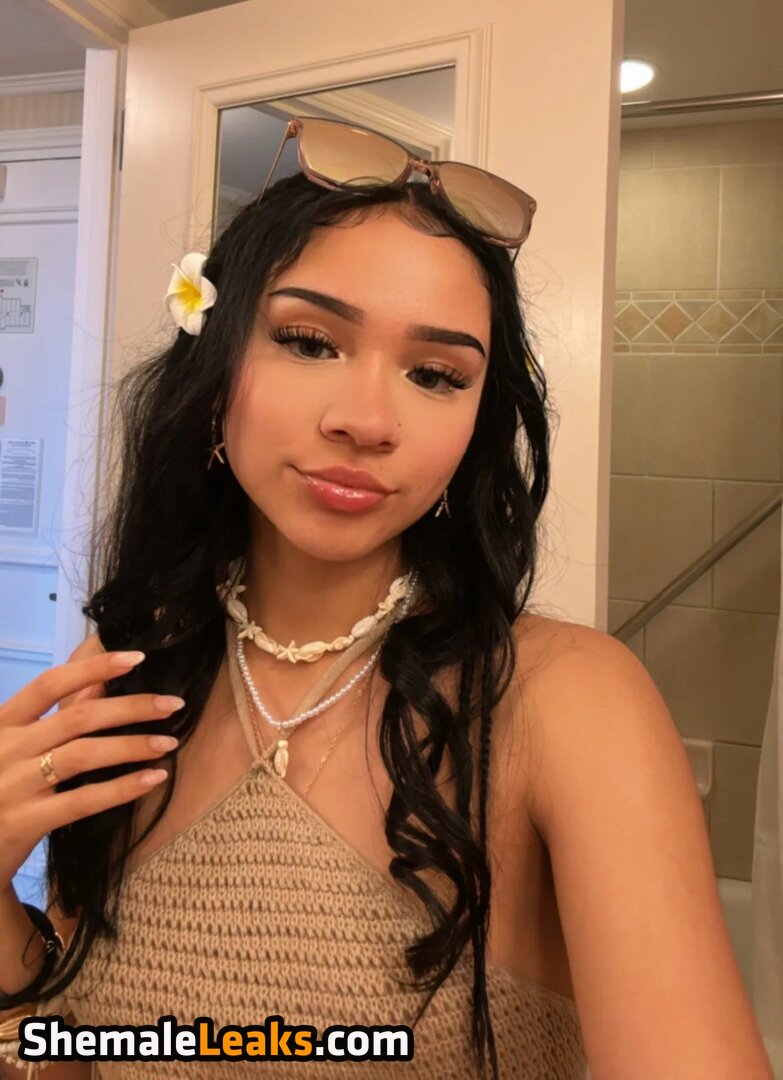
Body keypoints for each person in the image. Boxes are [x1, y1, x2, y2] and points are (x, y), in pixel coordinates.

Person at [0, 119, 773, 1080]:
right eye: (308, 341)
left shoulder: (567, 704)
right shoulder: (141, 674)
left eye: (435, 375)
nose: (366, 420)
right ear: (214, 373)